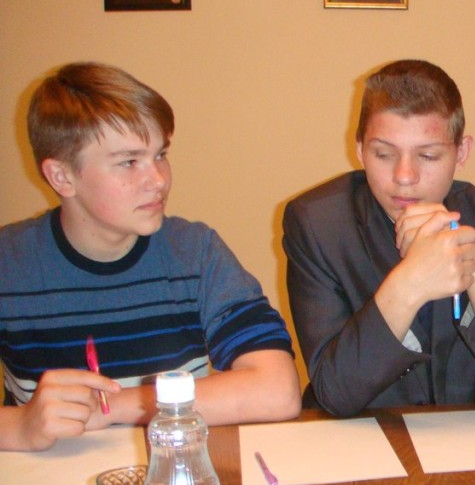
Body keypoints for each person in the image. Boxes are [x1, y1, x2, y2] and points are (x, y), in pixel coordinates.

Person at [0, 62, 301, 452]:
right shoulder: (10, 264)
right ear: (62, 177)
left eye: (160, 155)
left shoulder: (194, 252)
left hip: (173, 472)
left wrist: (111, 408)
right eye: (129, 162)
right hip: (47, 480)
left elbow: (277, 391)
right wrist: (22, 426)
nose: (158, 179)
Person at [282, 59, 475, 416]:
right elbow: (334, 393)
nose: (404, 176)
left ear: (461, 153)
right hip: (351, 438)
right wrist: (409, 286)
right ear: (360, 149)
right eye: (383, 154)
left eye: (428, 155)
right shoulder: (319, 227)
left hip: (460, 439)